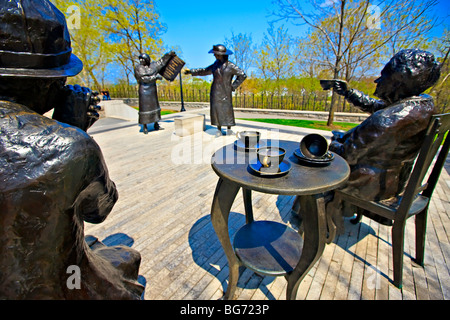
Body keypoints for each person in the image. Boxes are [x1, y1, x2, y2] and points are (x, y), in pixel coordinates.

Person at [0, 0, 143, 299]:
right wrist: (71, 132)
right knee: (128, 258)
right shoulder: (69, 147)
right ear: (46, 81)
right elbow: (99, 209)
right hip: (52, 286)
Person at [294, 49, 441, 231]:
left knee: (312, 162)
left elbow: (347, 155)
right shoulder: (421, 104)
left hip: (371, 184)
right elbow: (376, 105)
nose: (376, 81)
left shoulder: (387, 119)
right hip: (394, 180)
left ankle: (311, 224)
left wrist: (328, 144)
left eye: (383, 76)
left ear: (398, 81)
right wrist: (348, 92)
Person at [185, 44, 247, 135]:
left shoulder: (231, 66)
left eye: (216, 54)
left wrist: (233, 86)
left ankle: (229, 129)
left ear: (221, 54)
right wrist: (191, 71)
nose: (214, 55)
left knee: (227, 110)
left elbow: (242, 75)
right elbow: (204, 71)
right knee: (216, 110)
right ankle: (219, 129)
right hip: (215, 91)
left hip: (226, 91)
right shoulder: (215, 65)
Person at [134, 51, 176, 134]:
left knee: (155, 106)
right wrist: (155, 77)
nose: (141, 61)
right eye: (140, 59)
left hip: (152, 90)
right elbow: (143, 78)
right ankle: (145, 126)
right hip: (144, 90)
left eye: (143, 59)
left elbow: (162, 62)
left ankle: (156, 124)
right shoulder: (138, 68)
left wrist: (169, 54)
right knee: (145, 108)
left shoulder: (153, 65)